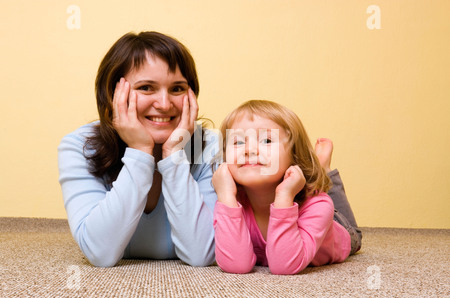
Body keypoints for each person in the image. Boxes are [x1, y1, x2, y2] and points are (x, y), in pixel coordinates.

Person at [58, 31, 219, 267]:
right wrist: (141, 151)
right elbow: (100, 253)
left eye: (177, 89)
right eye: (146, 88)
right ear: (112, 95)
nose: (164, 105)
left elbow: (201, 255)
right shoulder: (78, 147)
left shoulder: (211, 146)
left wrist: (174, 155)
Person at [212, 100, 362, 275]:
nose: (249, 150)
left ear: (295, 155)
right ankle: (319, 169)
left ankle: (324, 170)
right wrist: (226, 196)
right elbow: (235, 265)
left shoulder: (319, 206)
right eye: (238, 142)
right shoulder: (230, 201)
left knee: (353, 232)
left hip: (335, 226)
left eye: (266, 140)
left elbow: (285, 266)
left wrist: (284, 196)